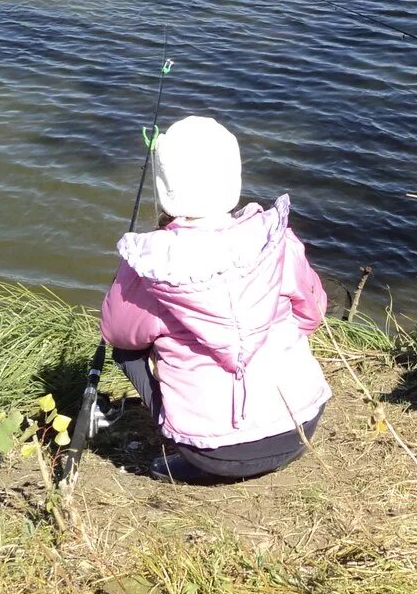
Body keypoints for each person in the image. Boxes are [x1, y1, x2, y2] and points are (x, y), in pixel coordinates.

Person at [101, 115, 331, 482]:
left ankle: (185, 441)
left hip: (211, 455)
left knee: (126, 350)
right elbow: (313, 313)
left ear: (164, 187)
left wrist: (125, 280)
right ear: (233, 178)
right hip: (300, 426)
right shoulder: (276, 240)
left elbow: (117, 332)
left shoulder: (152, 264)